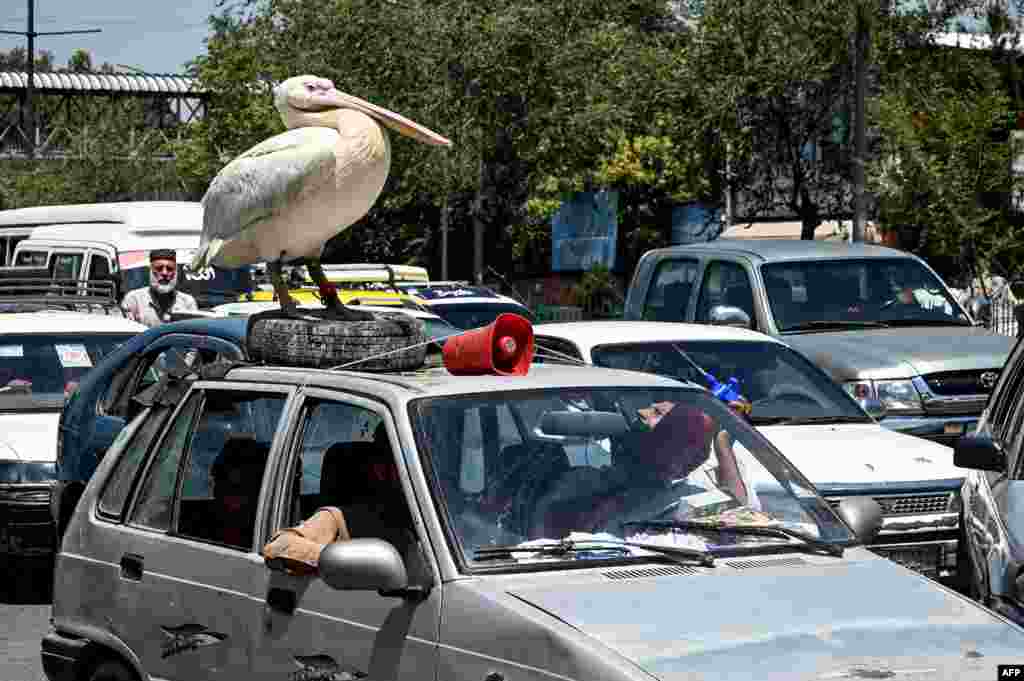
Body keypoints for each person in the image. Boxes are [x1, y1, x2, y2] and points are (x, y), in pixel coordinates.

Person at [121, 249, 198, 327]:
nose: (164, 273)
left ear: (176, 272)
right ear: (150, 271)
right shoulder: (134, 300)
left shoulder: (187, 303)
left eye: (170, 269)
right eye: (159, 268)